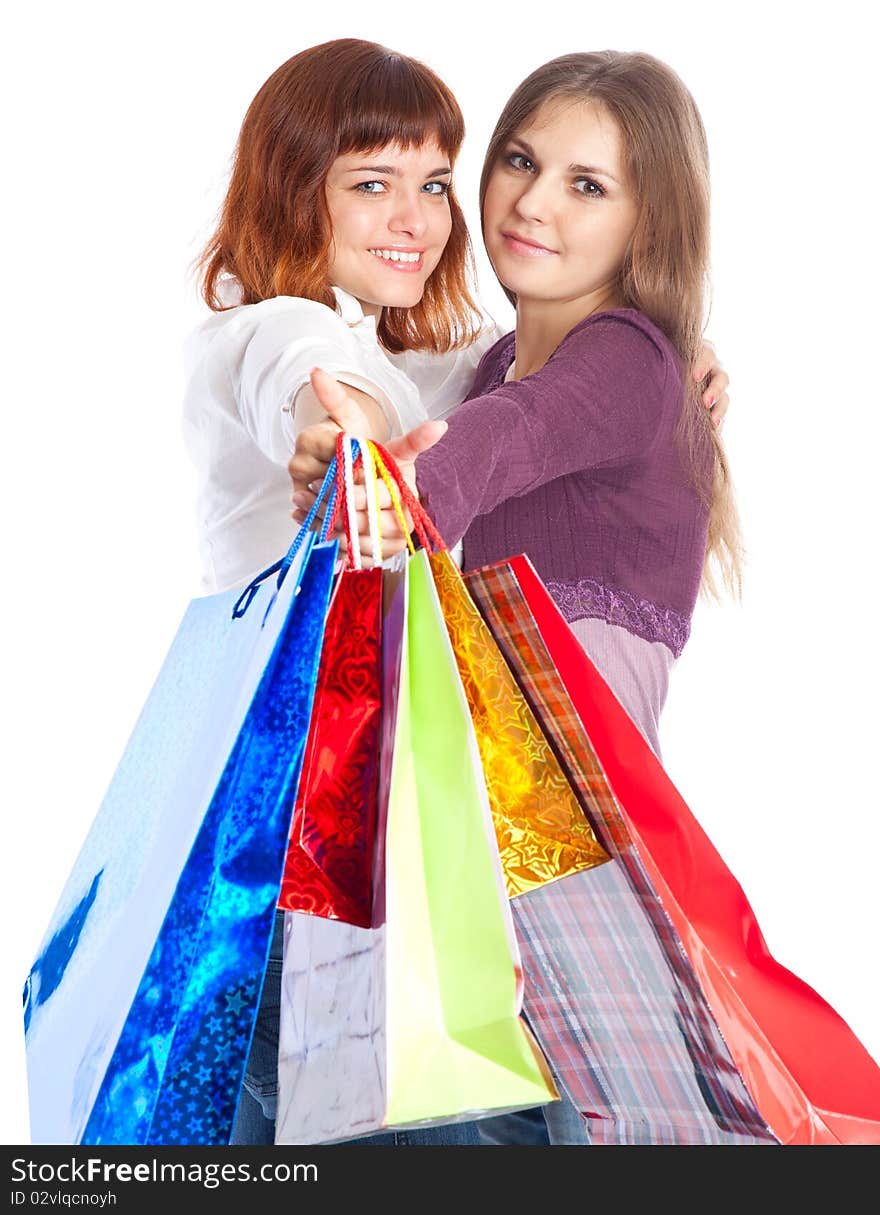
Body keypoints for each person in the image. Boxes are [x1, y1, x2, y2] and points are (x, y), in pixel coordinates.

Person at [181, 40, 730, 1145]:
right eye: (518, 162)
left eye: (587, 186)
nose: (527, 204)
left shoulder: (611, 359)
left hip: (540, 826)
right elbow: (320, 371)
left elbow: (505, 428)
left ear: (646, 223)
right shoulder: (301, 335)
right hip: (419, 819)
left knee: (482, 1110)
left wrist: (405, 475)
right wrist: (337, 439)